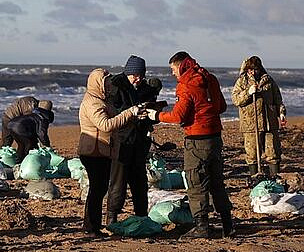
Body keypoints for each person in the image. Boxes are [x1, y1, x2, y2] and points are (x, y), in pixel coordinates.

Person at [158, 52, 235, 238]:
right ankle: (227, 223)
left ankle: (202, 225)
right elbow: (222, 107)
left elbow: (178, 116)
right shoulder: (210, 79)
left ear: (181, 66)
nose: (173, 74)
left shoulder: (185, 85)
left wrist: (156, 116)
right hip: (215, 138)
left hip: (197, 139)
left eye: (173, 70)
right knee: (216, 181)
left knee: (196, 182)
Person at [77, 67, 146, 235]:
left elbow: (115, 119)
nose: (109, 86)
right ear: (97, 84)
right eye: (106, 83)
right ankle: (91, 227)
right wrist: (129, 112)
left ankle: (92, 226)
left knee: (99, 189)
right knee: (97, 189)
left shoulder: (103, 100)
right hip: (93, 151)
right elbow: (106, 125)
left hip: (102, 149)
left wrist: (134, 117)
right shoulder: (93, 103)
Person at [105, 55, 162, 220]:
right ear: (128, 72)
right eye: (135, 75)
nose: (138, 79)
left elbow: (152, 113)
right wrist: (133, 113)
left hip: (140, 141)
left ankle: (142, 216)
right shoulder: (116, 86)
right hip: (121, 141)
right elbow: (113, 113)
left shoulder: (146, 89)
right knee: (118, 183)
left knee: (140, 182)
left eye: (141, 75)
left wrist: (151, 114)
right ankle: (112, 217)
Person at [231, 55, 285, 176]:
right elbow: (235, 99)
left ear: (260, 68)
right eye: (250, 69)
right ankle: (254, 177)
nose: (253, 72)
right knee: (252, 154)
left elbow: (277, 99)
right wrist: (248, 93)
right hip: (250, 124)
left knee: (273, 152)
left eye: (255, 69)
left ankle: (274, 177)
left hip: (269, 123)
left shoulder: (268, 81)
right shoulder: (242, 81)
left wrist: (281, 113)